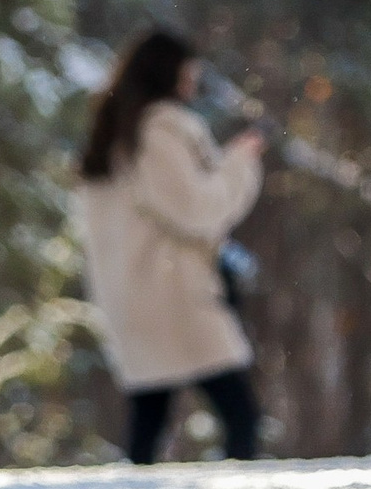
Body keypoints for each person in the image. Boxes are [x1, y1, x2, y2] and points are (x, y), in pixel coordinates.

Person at [74, 30, 266, 465]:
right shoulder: (157, 131)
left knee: (150, 413)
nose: (194, 79)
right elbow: (194, 210)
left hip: (134, 294)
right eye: (189, 69)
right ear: (172, 72)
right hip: (172, 294)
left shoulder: (115, 133)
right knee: (239, 412)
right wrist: (239, 164)